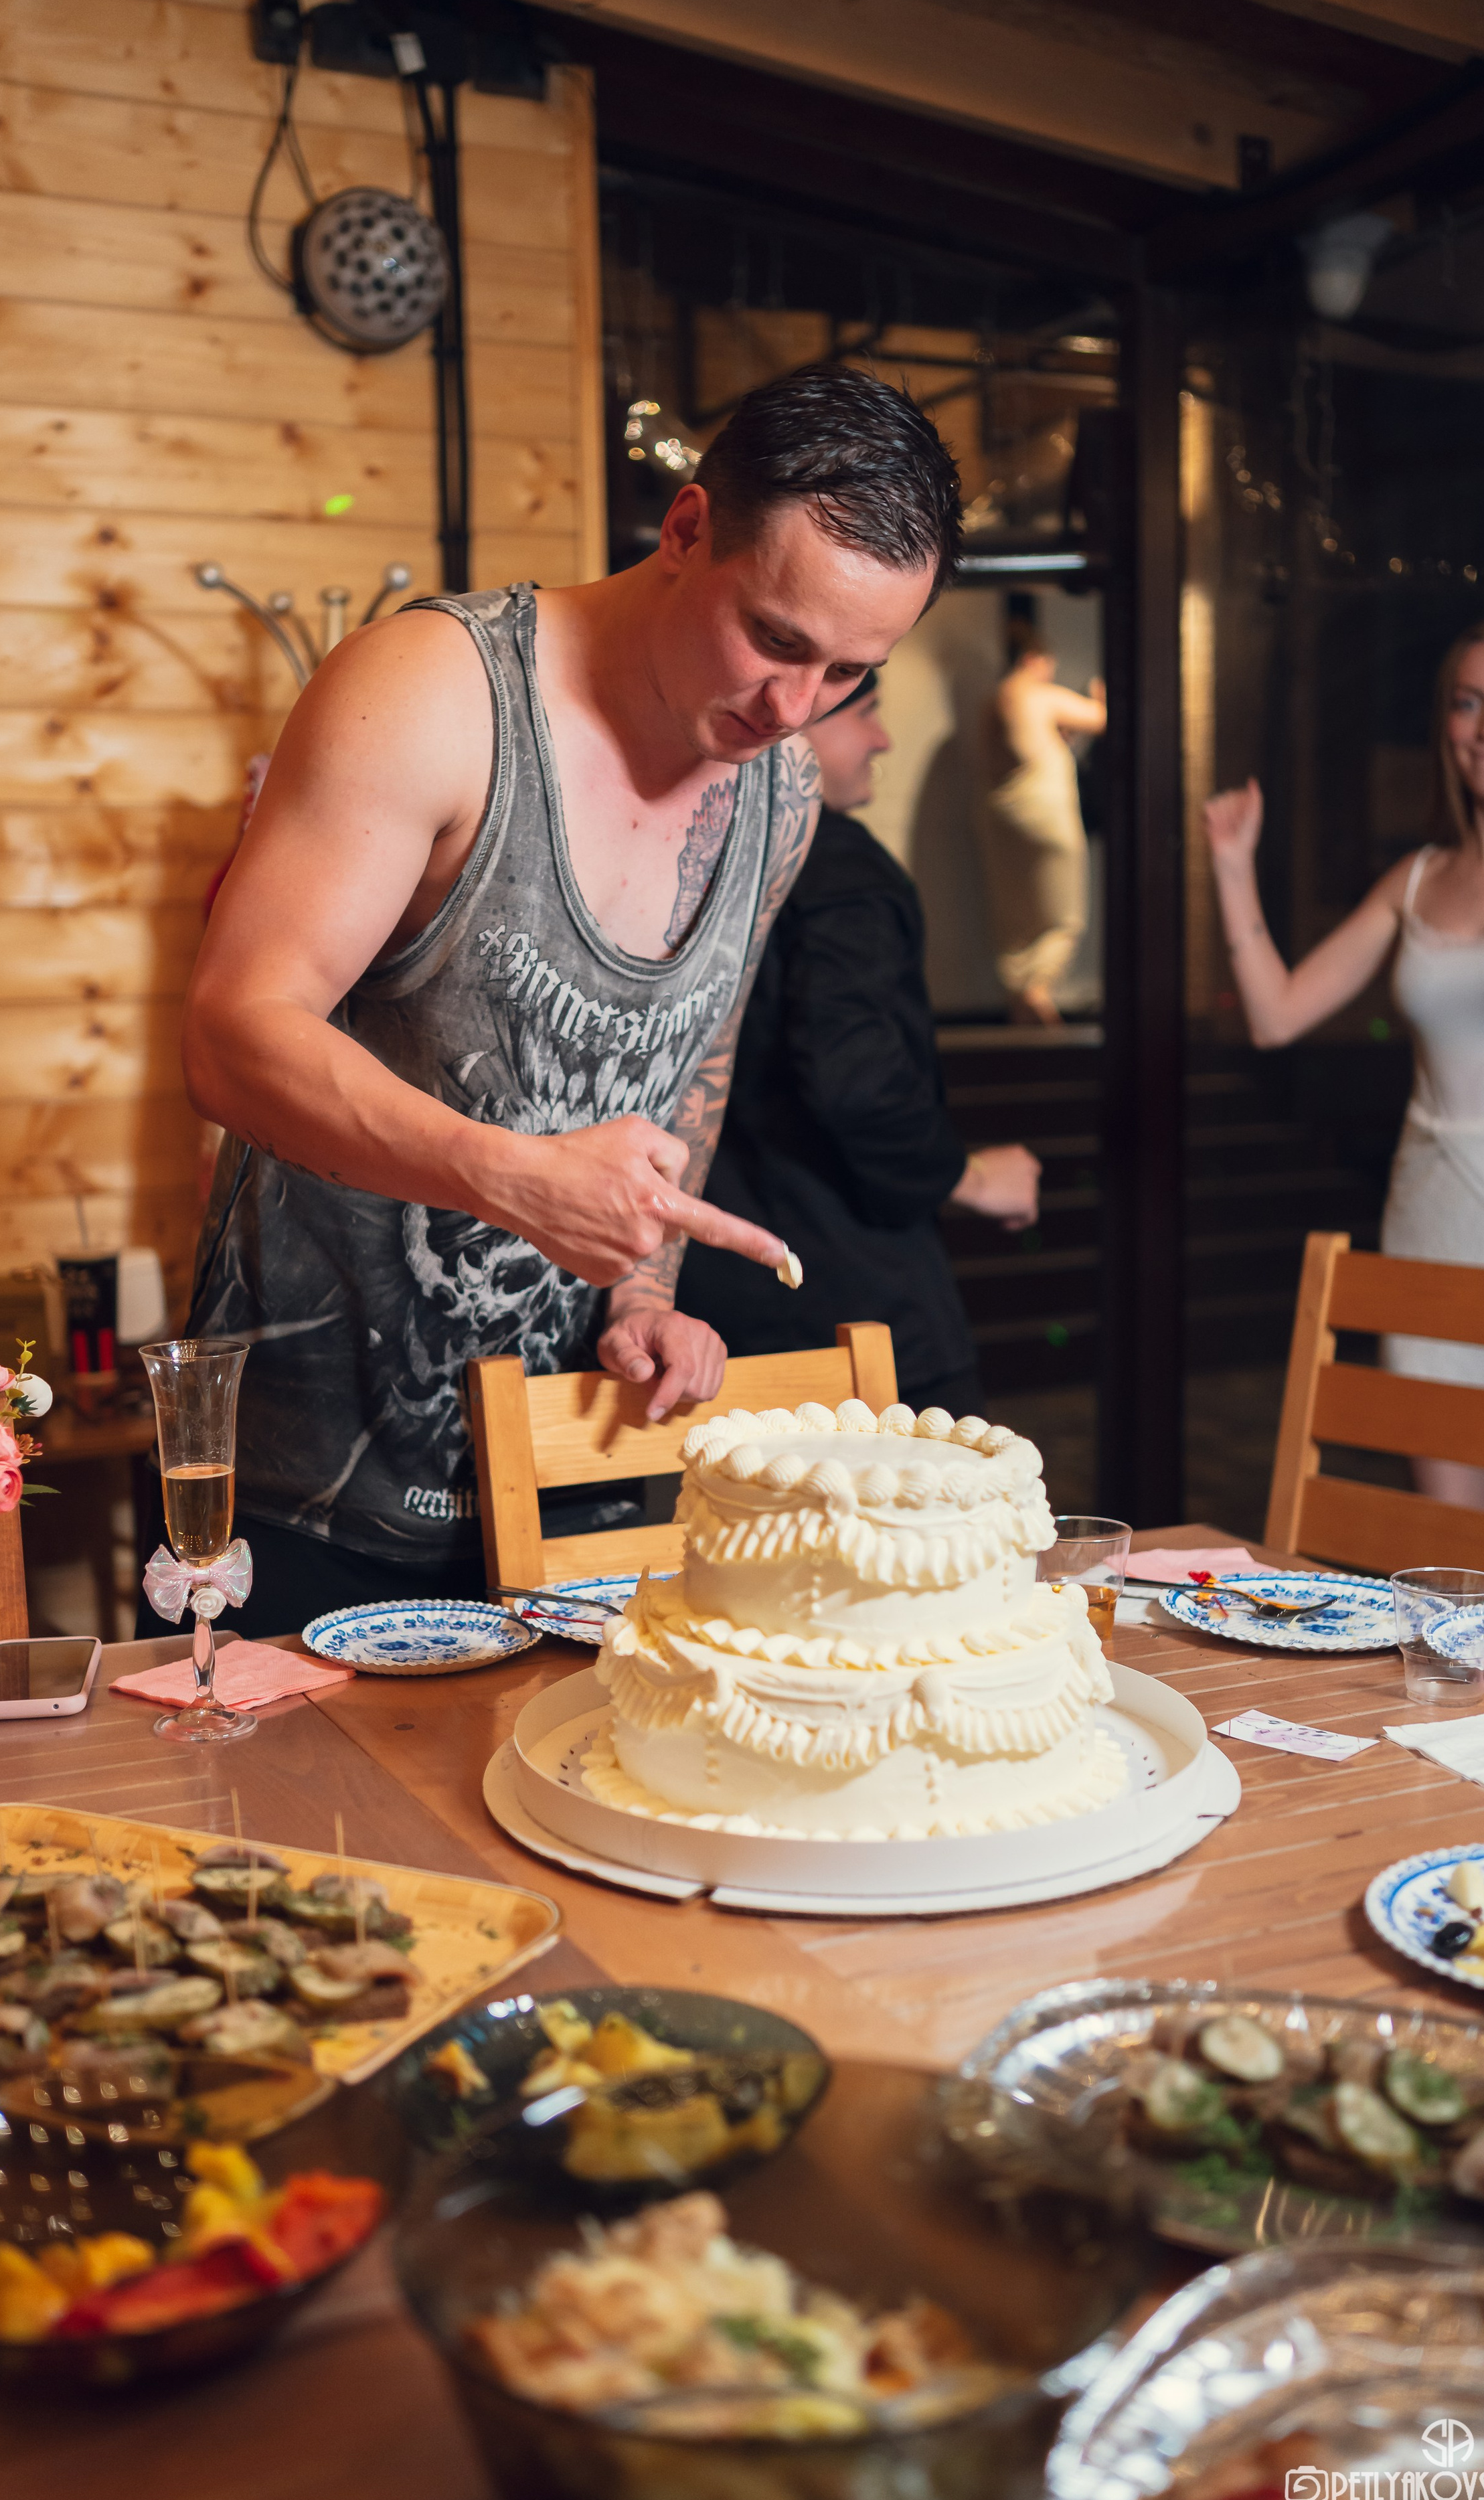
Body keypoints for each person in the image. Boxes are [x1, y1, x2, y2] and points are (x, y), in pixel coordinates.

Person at [164, 364, 963, 1635]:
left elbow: (691, 1066)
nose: (792, 709)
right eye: (776, 639)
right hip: (301, 1484)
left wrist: (644, 1298)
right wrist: (511, 1175)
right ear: (688, 530)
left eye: (851, 675)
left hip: (567, 1485)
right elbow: (231, 1035)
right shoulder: (430, 694)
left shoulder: (784, 795)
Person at [1205, 612, 1484, 1615]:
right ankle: (1470, 1772)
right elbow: (1279, 1016)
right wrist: (1234, 866)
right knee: (1458, 1571)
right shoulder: (1416, 877)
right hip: (1431, 1221)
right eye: (1467, 700)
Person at [677, 675, 1040, 1420]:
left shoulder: (687, 847)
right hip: (850, 1305)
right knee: (935, 1527)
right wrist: (964, 1177)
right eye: (867, 713)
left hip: (706, 1302)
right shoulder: (840, 866)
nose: (882, 739)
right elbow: (856, 1078)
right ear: (790, 724)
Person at [979, 619, 1106, 1024]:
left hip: (1005, 815)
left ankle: (1022, 998)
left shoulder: (996, 698)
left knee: (1018, 911)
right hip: (1045, 813)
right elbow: (1100, 718)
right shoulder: (1036, 693)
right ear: (1034, 659)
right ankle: (1038, 996)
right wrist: (1103, 695)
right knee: (1063, 914)